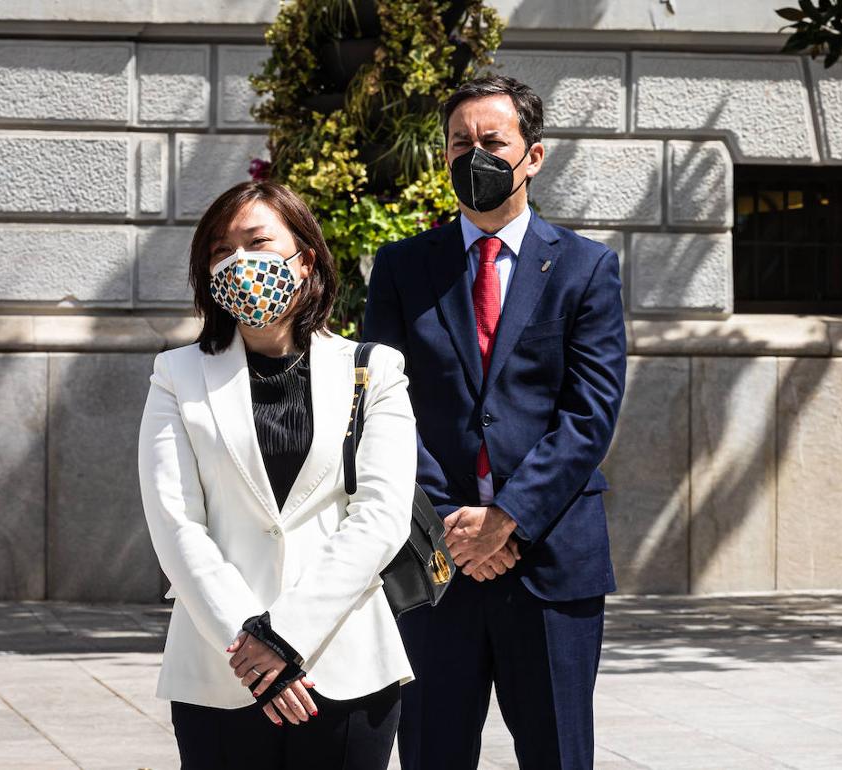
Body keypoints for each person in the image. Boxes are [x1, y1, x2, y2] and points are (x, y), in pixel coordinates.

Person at [363, 75, 627, 770]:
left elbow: (589, 413)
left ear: (533, 156)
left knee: (558, 755)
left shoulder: (586, 269)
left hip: (550, 562)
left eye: (491, 141)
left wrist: (506, 517)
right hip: (434, 561)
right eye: (458, 143)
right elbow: (382, 408)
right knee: (431, 752)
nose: (472, 155)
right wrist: (452, 524)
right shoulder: (400, 268)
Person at [138, 180, 416, 769]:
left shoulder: (374, 370)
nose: (239, 262)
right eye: (221, 250)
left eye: (258, 242)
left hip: (346, 667)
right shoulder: (176, 376)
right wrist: (251, 643)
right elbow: (176, 524)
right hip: (219, 670)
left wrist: (286, 636)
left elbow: (381, 516)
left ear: (305, 257)